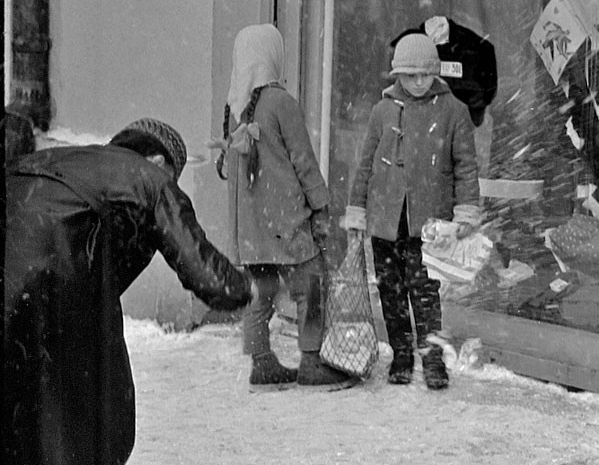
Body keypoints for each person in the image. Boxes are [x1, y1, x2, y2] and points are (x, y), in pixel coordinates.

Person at [4, 118, 257, 465]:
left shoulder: (62, 163)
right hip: (56, 299)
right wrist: (247, 286)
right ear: (156, 161)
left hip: (17, 291)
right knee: (93, 419)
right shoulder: (146, 177)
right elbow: (209, 276)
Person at [212, 23, 353, 389]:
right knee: (312, 286)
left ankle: (261, 362)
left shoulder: (233, 106)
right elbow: (302, 160)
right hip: (286, 218)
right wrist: (320, 204)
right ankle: (311, 361)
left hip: (254, 226)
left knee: (262, 291)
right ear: (273, 56)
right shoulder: (281, 103)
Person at [344, 32, 481, 389]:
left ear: (435, 72)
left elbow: (466, 166)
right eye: (410, 75)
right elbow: (365, 166)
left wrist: (465, 211)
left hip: (429, 223)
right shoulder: (382, 111)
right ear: (397, 76)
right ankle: (401, 356)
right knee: (390, 292)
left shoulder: (453, 111)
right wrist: (357, 210)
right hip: (386, 221)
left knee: (425, 294)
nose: (419, 82)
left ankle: (433, 362)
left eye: (425, 74)